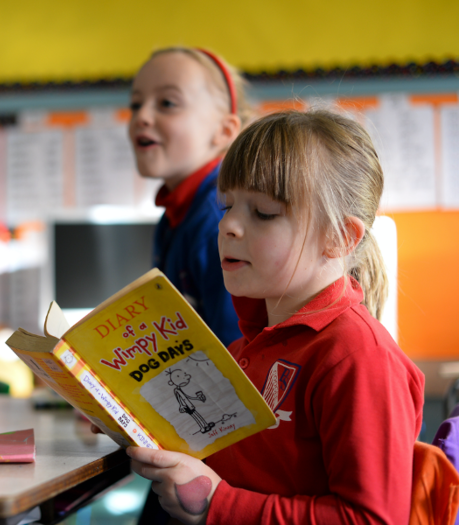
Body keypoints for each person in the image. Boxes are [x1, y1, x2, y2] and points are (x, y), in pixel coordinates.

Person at [125, 109, 425, 524]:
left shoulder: (357, 358)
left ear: (338, 238)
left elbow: (371, 519)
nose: (228, 225)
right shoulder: (246, 347)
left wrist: (218, 505)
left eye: (263, 213)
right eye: (227, 205)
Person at [129, 47, 254, 347]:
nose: (141, 117)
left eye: (167, 103)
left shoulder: (221, 217)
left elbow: (234, 355)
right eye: (135, 104)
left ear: (224, 132)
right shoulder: (174, 216)